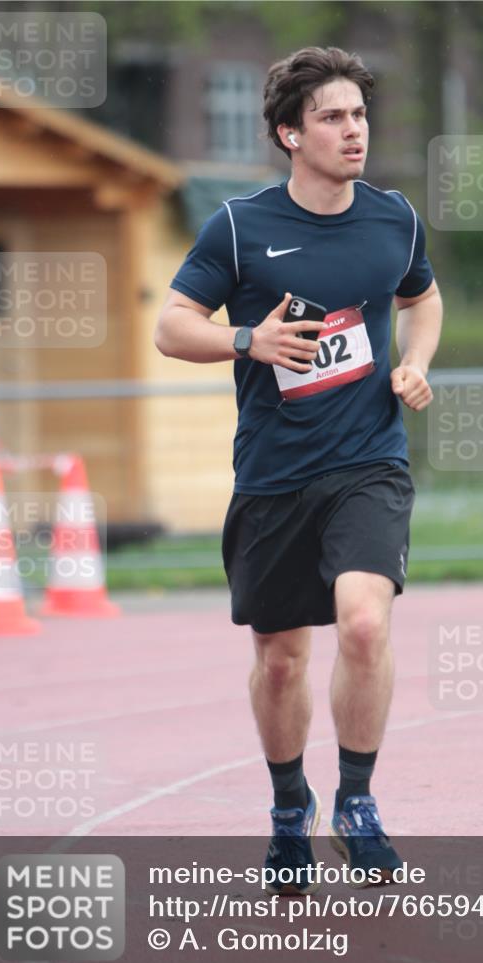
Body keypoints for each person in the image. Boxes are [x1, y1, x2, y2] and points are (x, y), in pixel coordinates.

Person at [155, 46, 443, 894]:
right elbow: (172, 326)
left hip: (367, 462)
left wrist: (415, 363)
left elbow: (421, 297)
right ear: (289, 134)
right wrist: (248, 339)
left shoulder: (393, 218)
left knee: (363, 624)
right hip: (274, 474)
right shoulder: (238, 226)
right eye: (331, 117)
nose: (353, 131)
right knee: (281, 660)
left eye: (358, 115)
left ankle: (356, 804)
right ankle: (290, 809)